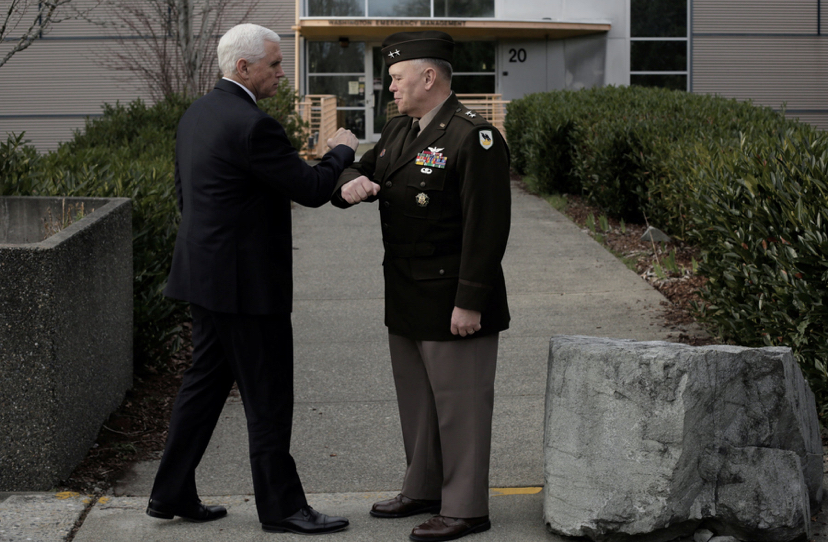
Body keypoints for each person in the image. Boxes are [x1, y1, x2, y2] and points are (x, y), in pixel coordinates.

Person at [145, 23, 358, 535]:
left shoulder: (197, 115)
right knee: (268, 397)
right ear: (243, 67)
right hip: (246, 288)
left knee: (204, 387)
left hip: (203, 278)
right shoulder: (251, 124)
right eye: (275, 65)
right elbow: (308, 187)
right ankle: (282, 507)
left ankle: (170, 492)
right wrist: (342, 151)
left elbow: (189, 197)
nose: (282, 74)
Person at [332, 30, 511, 542]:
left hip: (453, 296)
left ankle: (466, 507)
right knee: (418, 402)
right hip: (406, 291)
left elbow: (488, 225)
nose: (389, 87)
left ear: (428, 77)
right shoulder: (398, 131)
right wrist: (346, 180)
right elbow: (357, 175)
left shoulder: (472, 136)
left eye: (396, 78)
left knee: (462, 406)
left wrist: (470, 300)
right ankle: (425, 487)